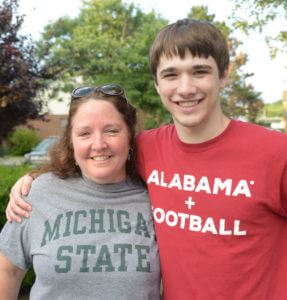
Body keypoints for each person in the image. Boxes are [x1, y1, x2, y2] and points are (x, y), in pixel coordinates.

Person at [5, 18, 287, 300]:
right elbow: (96, 157)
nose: (186, 88)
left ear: (223, 74)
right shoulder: (149, 149)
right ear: (156, 84)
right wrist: (34, 179)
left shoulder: (276, 153)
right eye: (171, 75)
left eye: (200, 71)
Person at [0, 84, 161, 299]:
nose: (99, 144)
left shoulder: (157, 196)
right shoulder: (36, 194)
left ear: (130, 137)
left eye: (111, 131)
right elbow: (8, 271)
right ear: (71, 143)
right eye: (85, 133)